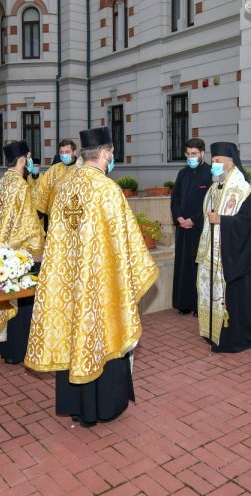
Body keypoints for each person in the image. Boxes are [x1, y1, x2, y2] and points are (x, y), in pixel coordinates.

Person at [25, 126, 157, 427]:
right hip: (99, 286)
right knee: (102, 336)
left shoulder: (65, 187)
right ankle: (104, 407)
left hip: (69, 284)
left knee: (74, 336)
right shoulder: (107, 189)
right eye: (112, 153)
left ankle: (76, 405)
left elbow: (55, 238)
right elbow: (127, 244)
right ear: (106, 153)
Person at [197, 142, 251, 353]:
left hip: (233, 256)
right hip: (214, 253)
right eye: (213, 160)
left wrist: (222, 220)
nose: (214, 164)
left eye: (218, 161)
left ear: (230, 162)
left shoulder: (242, 190)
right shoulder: (214, 187)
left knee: (233, 298)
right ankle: (213, 331)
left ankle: (233, 337)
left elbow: (247, 222)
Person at [0, 140, 44, 364]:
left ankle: (6, 349)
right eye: (28, 158)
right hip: (20, 254)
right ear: (22, 160)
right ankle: (19, 351)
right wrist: (39, 248)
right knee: (23, 302)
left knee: (7, 298)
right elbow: (28, 223)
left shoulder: (2, 182)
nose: (30, 161)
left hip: (1, 251)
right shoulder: (20, 185)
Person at [170, 137, 211, 314]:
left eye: (194, 154)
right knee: (183, 266)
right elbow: (175, 198)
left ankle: (198, 306)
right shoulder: (183, 173)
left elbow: (211, 204)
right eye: (188, 154)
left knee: (199, 267)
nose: (190, 157)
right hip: (183, 228)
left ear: (202, 153)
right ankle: (183, 304)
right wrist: (178, 217)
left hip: (200, 229)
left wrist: (194, 220)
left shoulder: (211, 173)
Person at [35, 138, 78, 222]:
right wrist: (39, 210)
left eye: (67, 152)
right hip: (55, 216)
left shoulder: (81, 169)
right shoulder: (54, 169)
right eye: (62, 152)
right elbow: (44, 188)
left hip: (75, 215)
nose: (64, 155)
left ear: (74, 152)